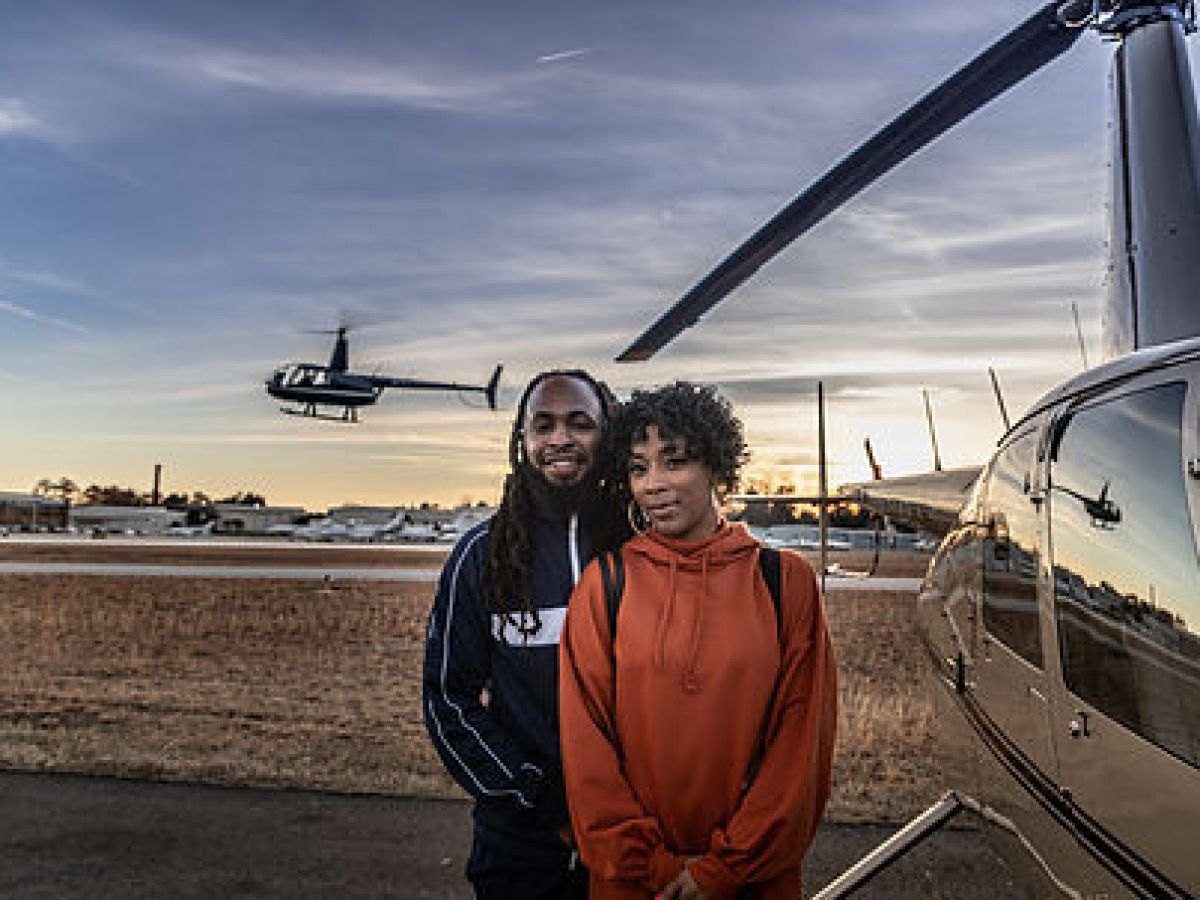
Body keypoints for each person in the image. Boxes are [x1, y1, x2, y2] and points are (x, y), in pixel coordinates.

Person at [559, 381, 838, 900]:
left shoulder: (784, 581)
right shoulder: (606, 584)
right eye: (638, 468)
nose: (653, 485)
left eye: (675, 461)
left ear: (716, 466)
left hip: (752, 881)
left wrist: (723, 870)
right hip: (635, 884)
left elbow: (800, 744)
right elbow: (585, 746)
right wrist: (652, 865)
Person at [423, 369, 628, 900]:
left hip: (636, 837)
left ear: (607, 436)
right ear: (522, 441)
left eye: (580, 423)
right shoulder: (483, 556)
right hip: (520, 845)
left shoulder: (639, 547)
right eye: (544, 425)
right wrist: (536, 796)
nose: (561, 438)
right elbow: (448, 698)